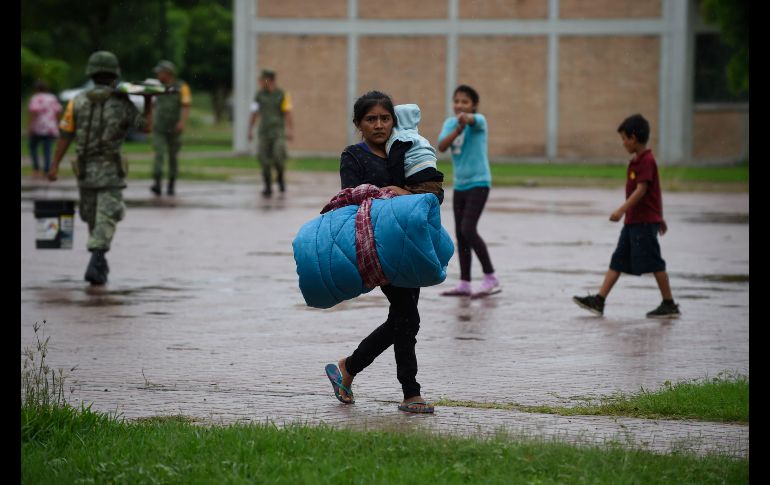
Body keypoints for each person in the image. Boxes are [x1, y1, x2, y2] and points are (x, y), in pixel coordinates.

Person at [325, 90, 440, 414]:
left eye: (385, 118)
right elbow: (350, 198)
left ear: (394, 120)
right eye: (371, 119)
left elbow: (423, 188)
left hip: (409, 246)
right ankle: (411, 392)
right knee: (407, 316)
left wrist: (408, 192)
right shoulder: (354, 156)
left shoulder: (402, 150)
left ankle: (349, 367)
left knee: (405, 318)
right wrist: (391, 197)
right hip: (376, 247)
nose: (379, 125)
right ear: (358, 124)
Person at [48, 51, 153, 285]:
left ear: (91, 73)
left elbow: (65, 134)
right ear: (114, 73)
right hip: (110, 172)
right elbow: (146, 127)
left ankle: (99, 262)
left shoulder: (77, 101)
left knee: (93, 217)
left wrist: (54, 165)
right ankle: (97, 258)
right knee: (107, 215)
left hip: (84, 172)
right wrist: (147, 100)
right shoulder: (122, 102)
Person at [572, 114, 681, 318]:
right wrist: (658, 215)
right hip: (633, 222)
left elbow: (642, 190)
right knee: (618, 260)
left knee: (655, 262)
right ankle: (599, 301)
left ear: (633, 137)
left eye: (624, 138)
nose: (622, 143)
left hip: (643, 223)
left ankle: (669, 304)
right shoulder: (637, 161)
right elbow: (654, 192)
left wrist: (622, 210)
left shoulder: (647, 161)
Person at [437, 84, 501, 298]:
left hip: (479, 182)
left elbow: (474, 120)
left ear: (474, 105)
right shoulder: (450, 124)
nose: (460, 105)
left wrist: (468, 120)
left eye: (465, 102)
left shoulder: (479, 121)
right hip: (461, 185)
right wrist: (457, 128)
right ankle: (464, 283)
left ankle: (491, 277)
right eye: (457, 101)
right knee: (461, 234)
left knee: (468, 228)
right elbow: (442, 146)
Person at [248, 69, 294, 197]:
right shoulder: (259, 95)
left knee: (279, 156)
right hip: (264, 132)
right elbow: (254, 113)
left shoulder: (282, 94)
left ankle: (280, 178)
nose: (260, 82)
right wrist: (250, 129)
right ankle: (267, 185)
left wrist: (290, 130)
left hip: (278, 132)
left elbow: (288, 113)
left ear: (270, 80)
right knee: (263, 159)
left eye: (262, 80)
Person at [386, 103, 444, 202]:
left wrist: (397, 186)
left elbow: (395, 164)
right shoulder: (419, 138)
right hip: (436, 183)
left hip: (419, 183)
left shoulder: (400, 138)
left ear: (396, 120)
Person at [150, 60, 191, 196]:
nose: (158, 75)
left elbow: (186, 106)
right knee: (159, 154)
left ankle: (171, 185)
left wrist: (182, 122)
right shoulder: (157, 87)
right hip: (159, 128)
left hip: (174, 128)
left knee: (173, 157)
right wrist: (150, 120)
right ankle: (157, 183)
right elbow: (151, 105)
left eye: (160, 73)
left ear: (167, 73)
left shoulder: (181, 87)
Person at [27, 79, 62, 177]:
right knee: (47, 149)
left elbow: (33, 112)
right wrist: (58, 124)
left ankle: (36, 169)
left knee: (32, 147)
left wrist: (30, 126)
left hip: (38, 127)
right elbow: (58, 111)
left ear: (36, 89)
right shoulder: (52, 97)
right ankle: (46, 170)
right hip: (50, 127)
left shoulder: (35, 98)